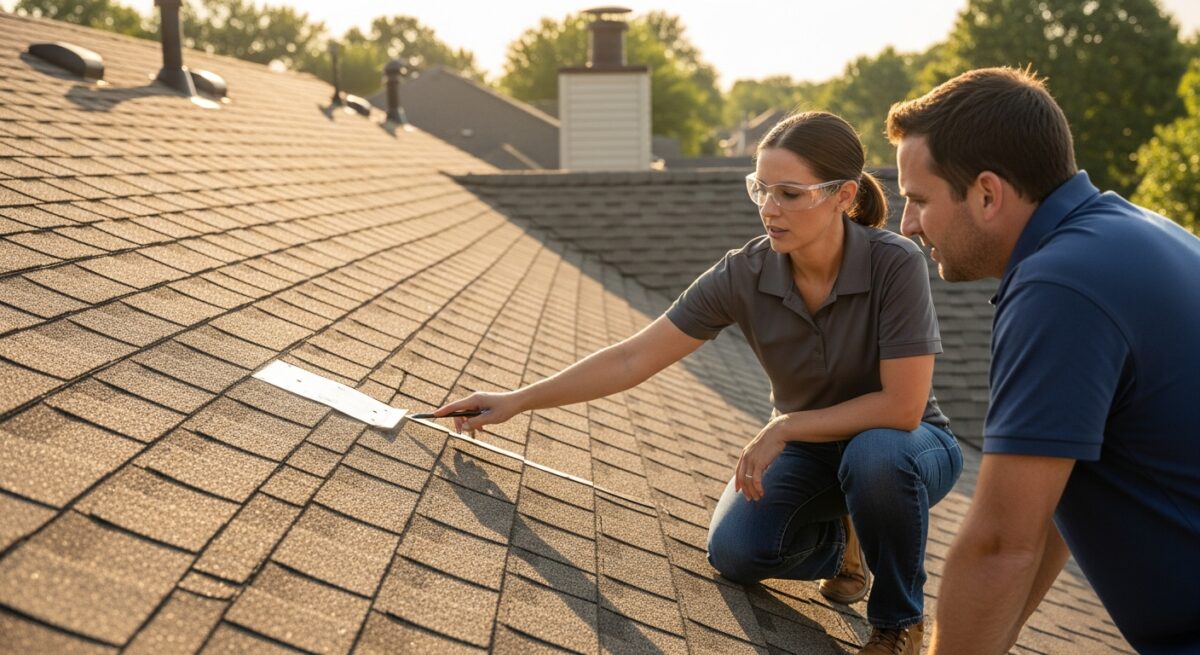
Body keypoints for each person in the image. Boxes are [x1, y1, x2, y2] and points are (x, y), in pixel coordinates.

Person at [436, 111, 962, 655]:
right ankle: (845, 540)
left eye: (789, 193)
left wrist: (785, 427)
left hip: (910, 447)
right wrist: (516, 401)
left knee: (875, 457)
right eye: (761, 189)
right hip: (813, 451)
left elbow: (902, 407)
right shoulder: (744, 273)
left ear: (841, 195)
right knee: (735, 553)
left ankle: (898, 623)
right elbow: (632, 358)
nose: (768, 209)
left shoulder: (892, 263)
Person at [887, 67, 1200, 654]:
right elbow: (1047, 500)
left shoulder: (1061, 286)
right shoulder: (1127, 236)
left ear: (986, 193)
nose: (905, 225)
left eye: (917, 200)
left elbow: (1000, 543)